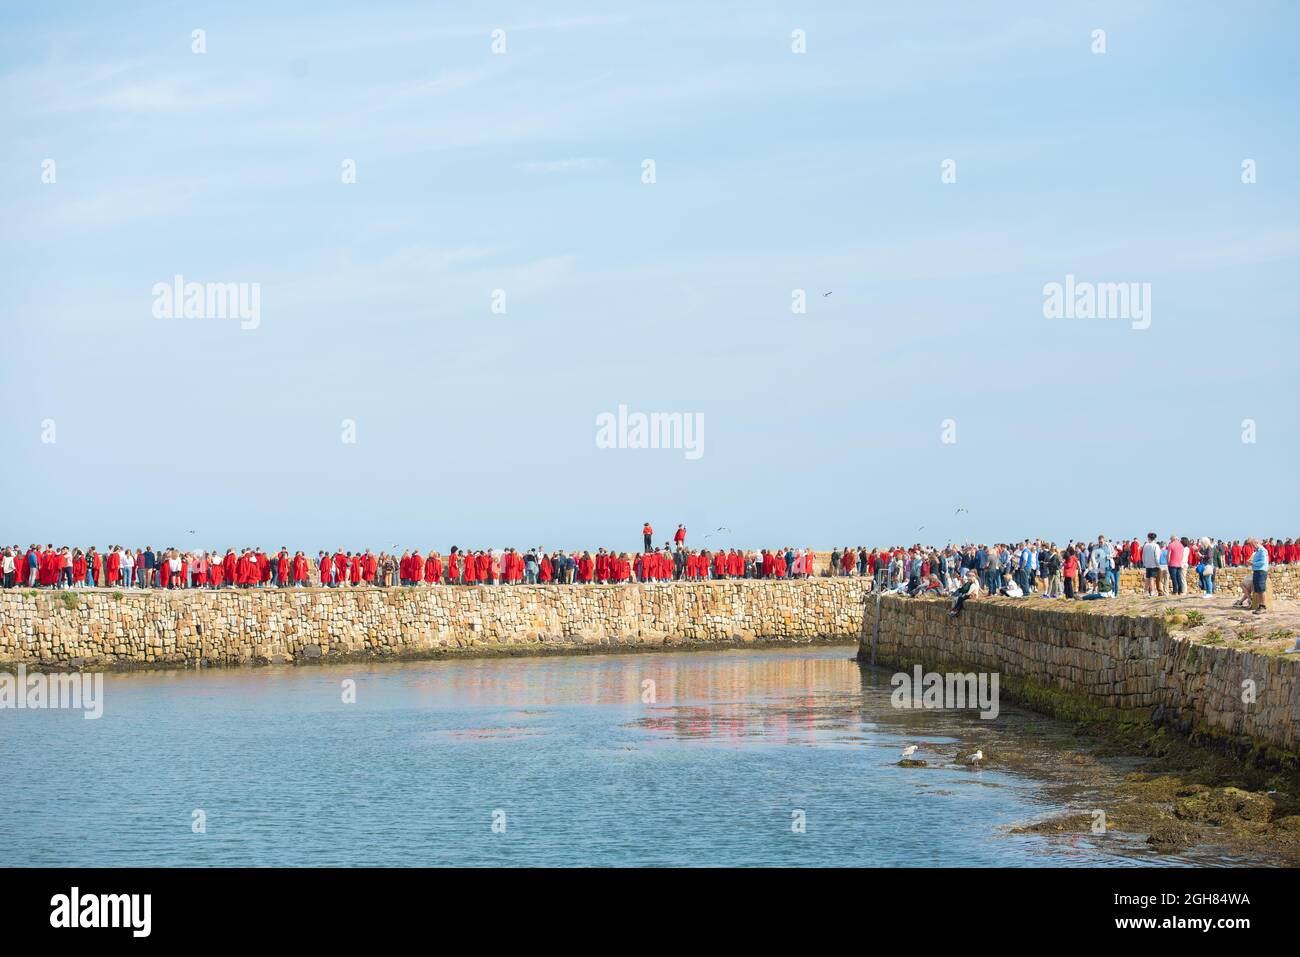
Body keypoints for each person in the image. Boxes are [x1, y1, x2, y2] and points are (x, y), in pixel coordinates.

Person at [1249, 537, 1269, 614]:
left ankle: (1263, 606)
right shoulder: (1257, 551)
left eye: (1253, 545)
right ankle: (1260, 605)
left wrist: (1253, 563)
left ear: (1257, 543)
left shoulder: (1263, 551)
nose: (1252, 547)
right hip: (1256, 571)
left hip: (1261, 571)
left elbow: (1263, 562)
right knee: (1258, 589)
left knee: (1261, 589)